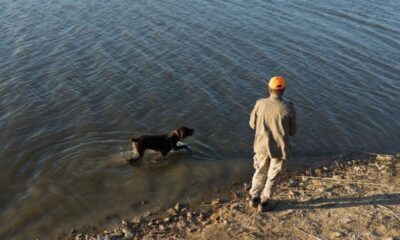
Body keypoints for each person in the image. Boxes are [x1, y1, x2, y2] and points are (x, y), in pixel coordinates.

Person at [248, 76, 297, 212]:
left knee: (259, 172)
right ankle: (265, 202)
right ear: (284, 90)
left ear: (269, 89)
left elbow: (252, 124)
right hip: (279, 150)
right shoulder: (289, 107)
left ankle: (254, 198)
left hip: (261, 147)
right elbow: (293, 131)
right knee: (272, 176)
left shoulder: (259, 103)